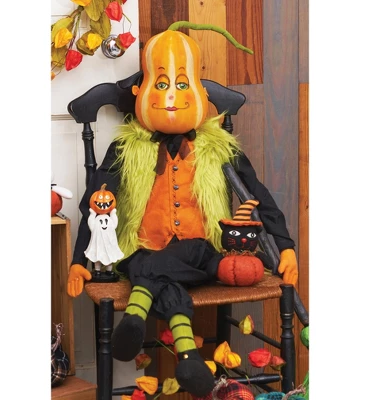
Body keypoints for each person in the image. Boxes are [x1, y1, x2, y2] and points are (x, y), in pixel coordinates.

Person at [67, 28, 298, 397]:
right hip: (143, 248)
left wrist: (285, 245)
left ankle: (135, 314)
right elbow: (96, 201)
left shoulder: (218, 147)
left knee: (157, 266)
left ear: (200, 94)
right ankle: (189, 357)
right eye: (161, 85)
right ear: (141, 92)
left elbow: (258, 193)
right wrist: (80, 259)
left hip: (201, 252)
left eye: (181, 84)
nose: (172, 97)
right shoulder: (126, 149)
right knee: (150, 267)